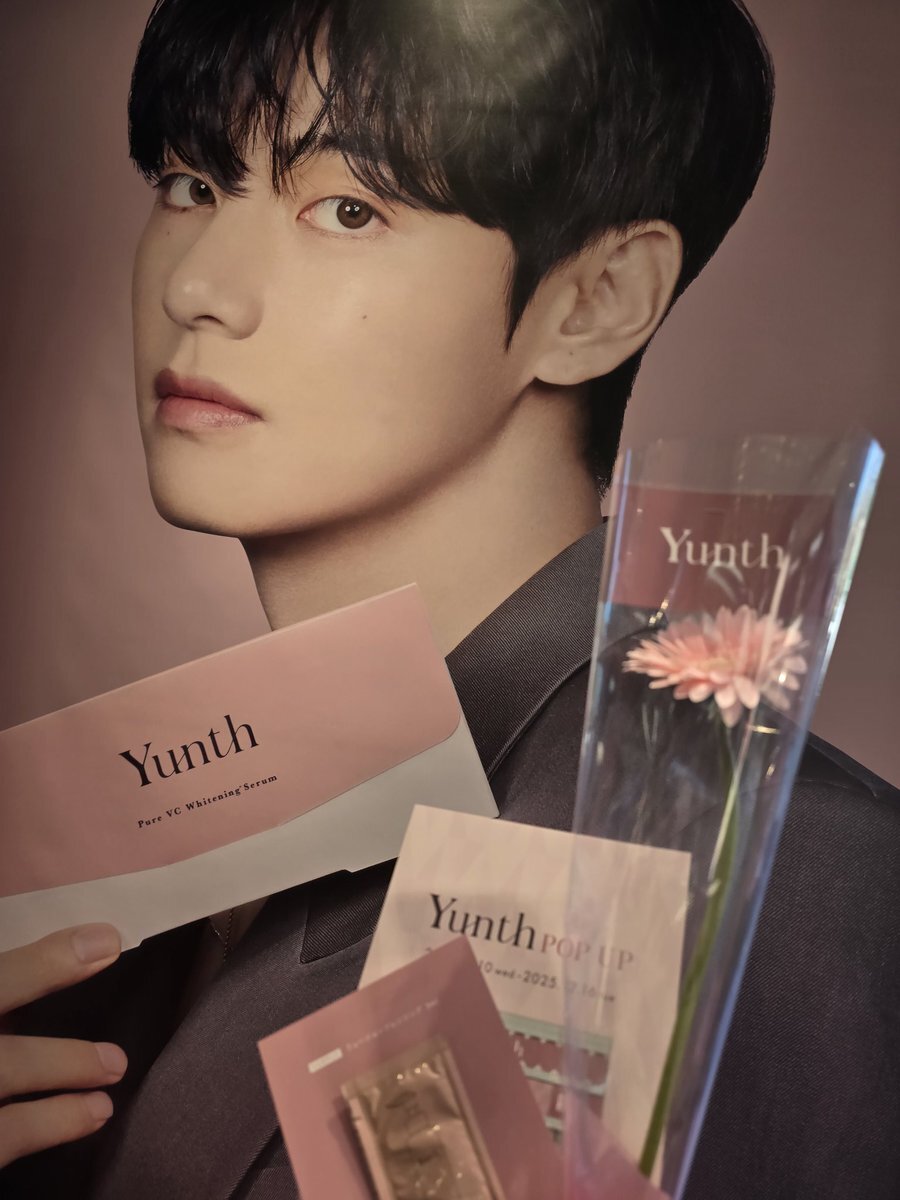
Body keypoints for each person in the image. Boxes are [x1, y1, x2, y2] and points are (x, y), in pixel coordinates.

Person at [2, 0, 898, 1196]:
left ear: (596, 299)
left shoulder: (778, 877)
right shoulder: (138, 829)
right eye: (189, 185)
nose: (203, 287)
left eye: (348, 209)